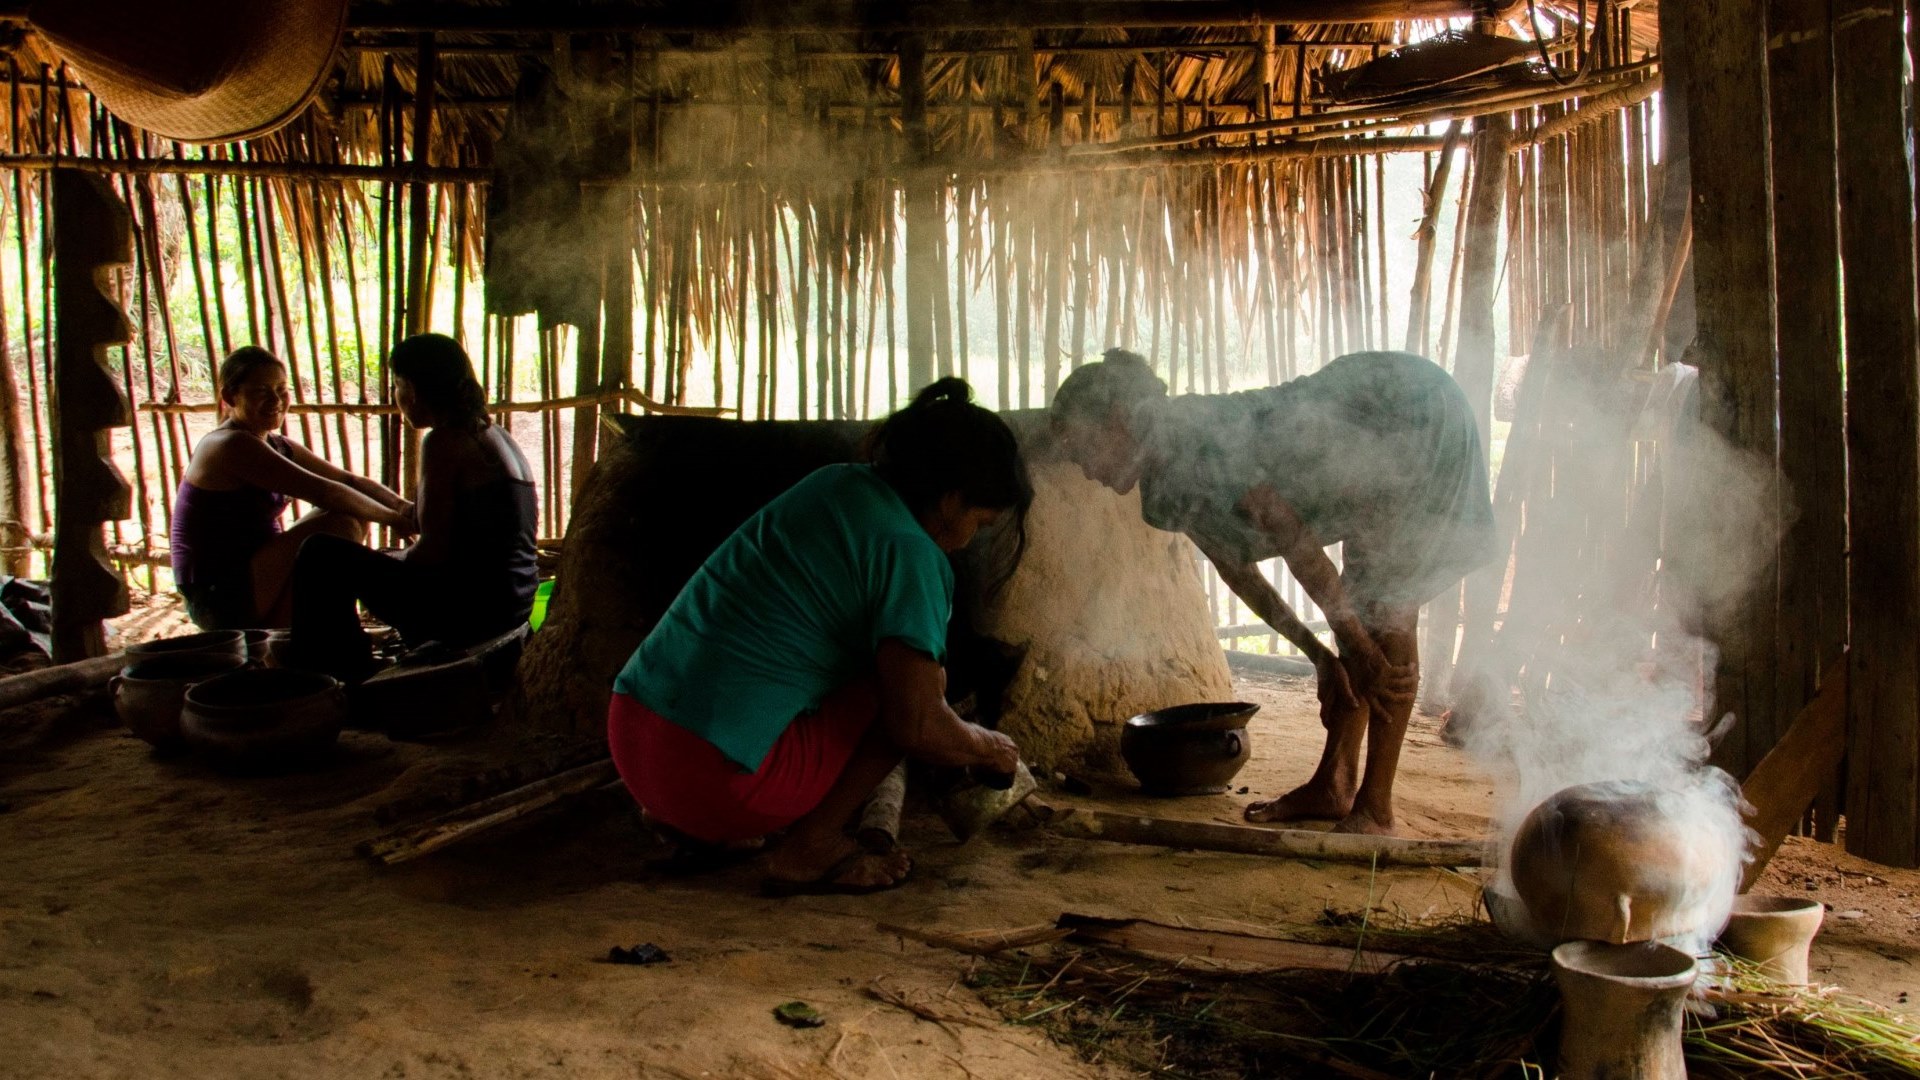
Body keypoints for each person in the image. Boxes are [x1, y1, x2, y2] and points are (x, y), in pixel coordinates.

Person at [607, 377, 1031, 896]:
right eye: (980, 521)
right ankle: (812, 846)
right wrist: (987, 747)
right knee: (913, 689)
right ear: (950, 499)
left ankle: (694, 828)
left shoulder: (836, 484)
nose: (971, 539)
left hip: (634, 744)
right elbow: (916, 724)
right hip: (716, 779)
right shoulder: (912, 554)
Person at [1050, 349, 1495, 835]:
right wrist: (1321, 655)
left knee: (1385, 604)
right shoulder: (1162, 475)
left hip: (1410, 410)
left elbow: (1291, 537)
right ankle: (1336, 783)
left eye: (1081, 445)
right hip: (1379, 414)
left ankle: (1376, 810)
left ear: (1116, 419)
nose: (1085, 468)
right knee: (1361, 600)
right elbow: (1236, 569)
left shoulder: (1193, 437)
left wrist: (1363, 648)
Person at [286, 333, 538, 678]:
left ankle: (341, 676)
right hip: (512, 604)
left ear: (414, 389)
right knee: (369, 560)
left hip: (472, 616)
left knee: (320, 554)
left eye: (396, 384)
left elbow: (432, 555)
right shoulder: (495, 435)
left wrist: (394, 558)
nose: (396, 396)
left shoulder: (444, 442)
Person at [170, 346, 414, 630]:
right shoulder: (230, 445)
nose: (276, 400)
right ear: (229, 397)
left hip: (255, 577)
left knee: (351, 515)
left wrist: (404, 508)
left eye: (282, 390)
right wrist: (395, 520)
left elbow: (350, 481)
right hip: (217, 595)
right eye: (261, 391)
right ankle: (305, 634)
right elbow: (325, 492)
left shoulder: (274, 443)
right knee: (340, 523)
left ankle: (291, 635)